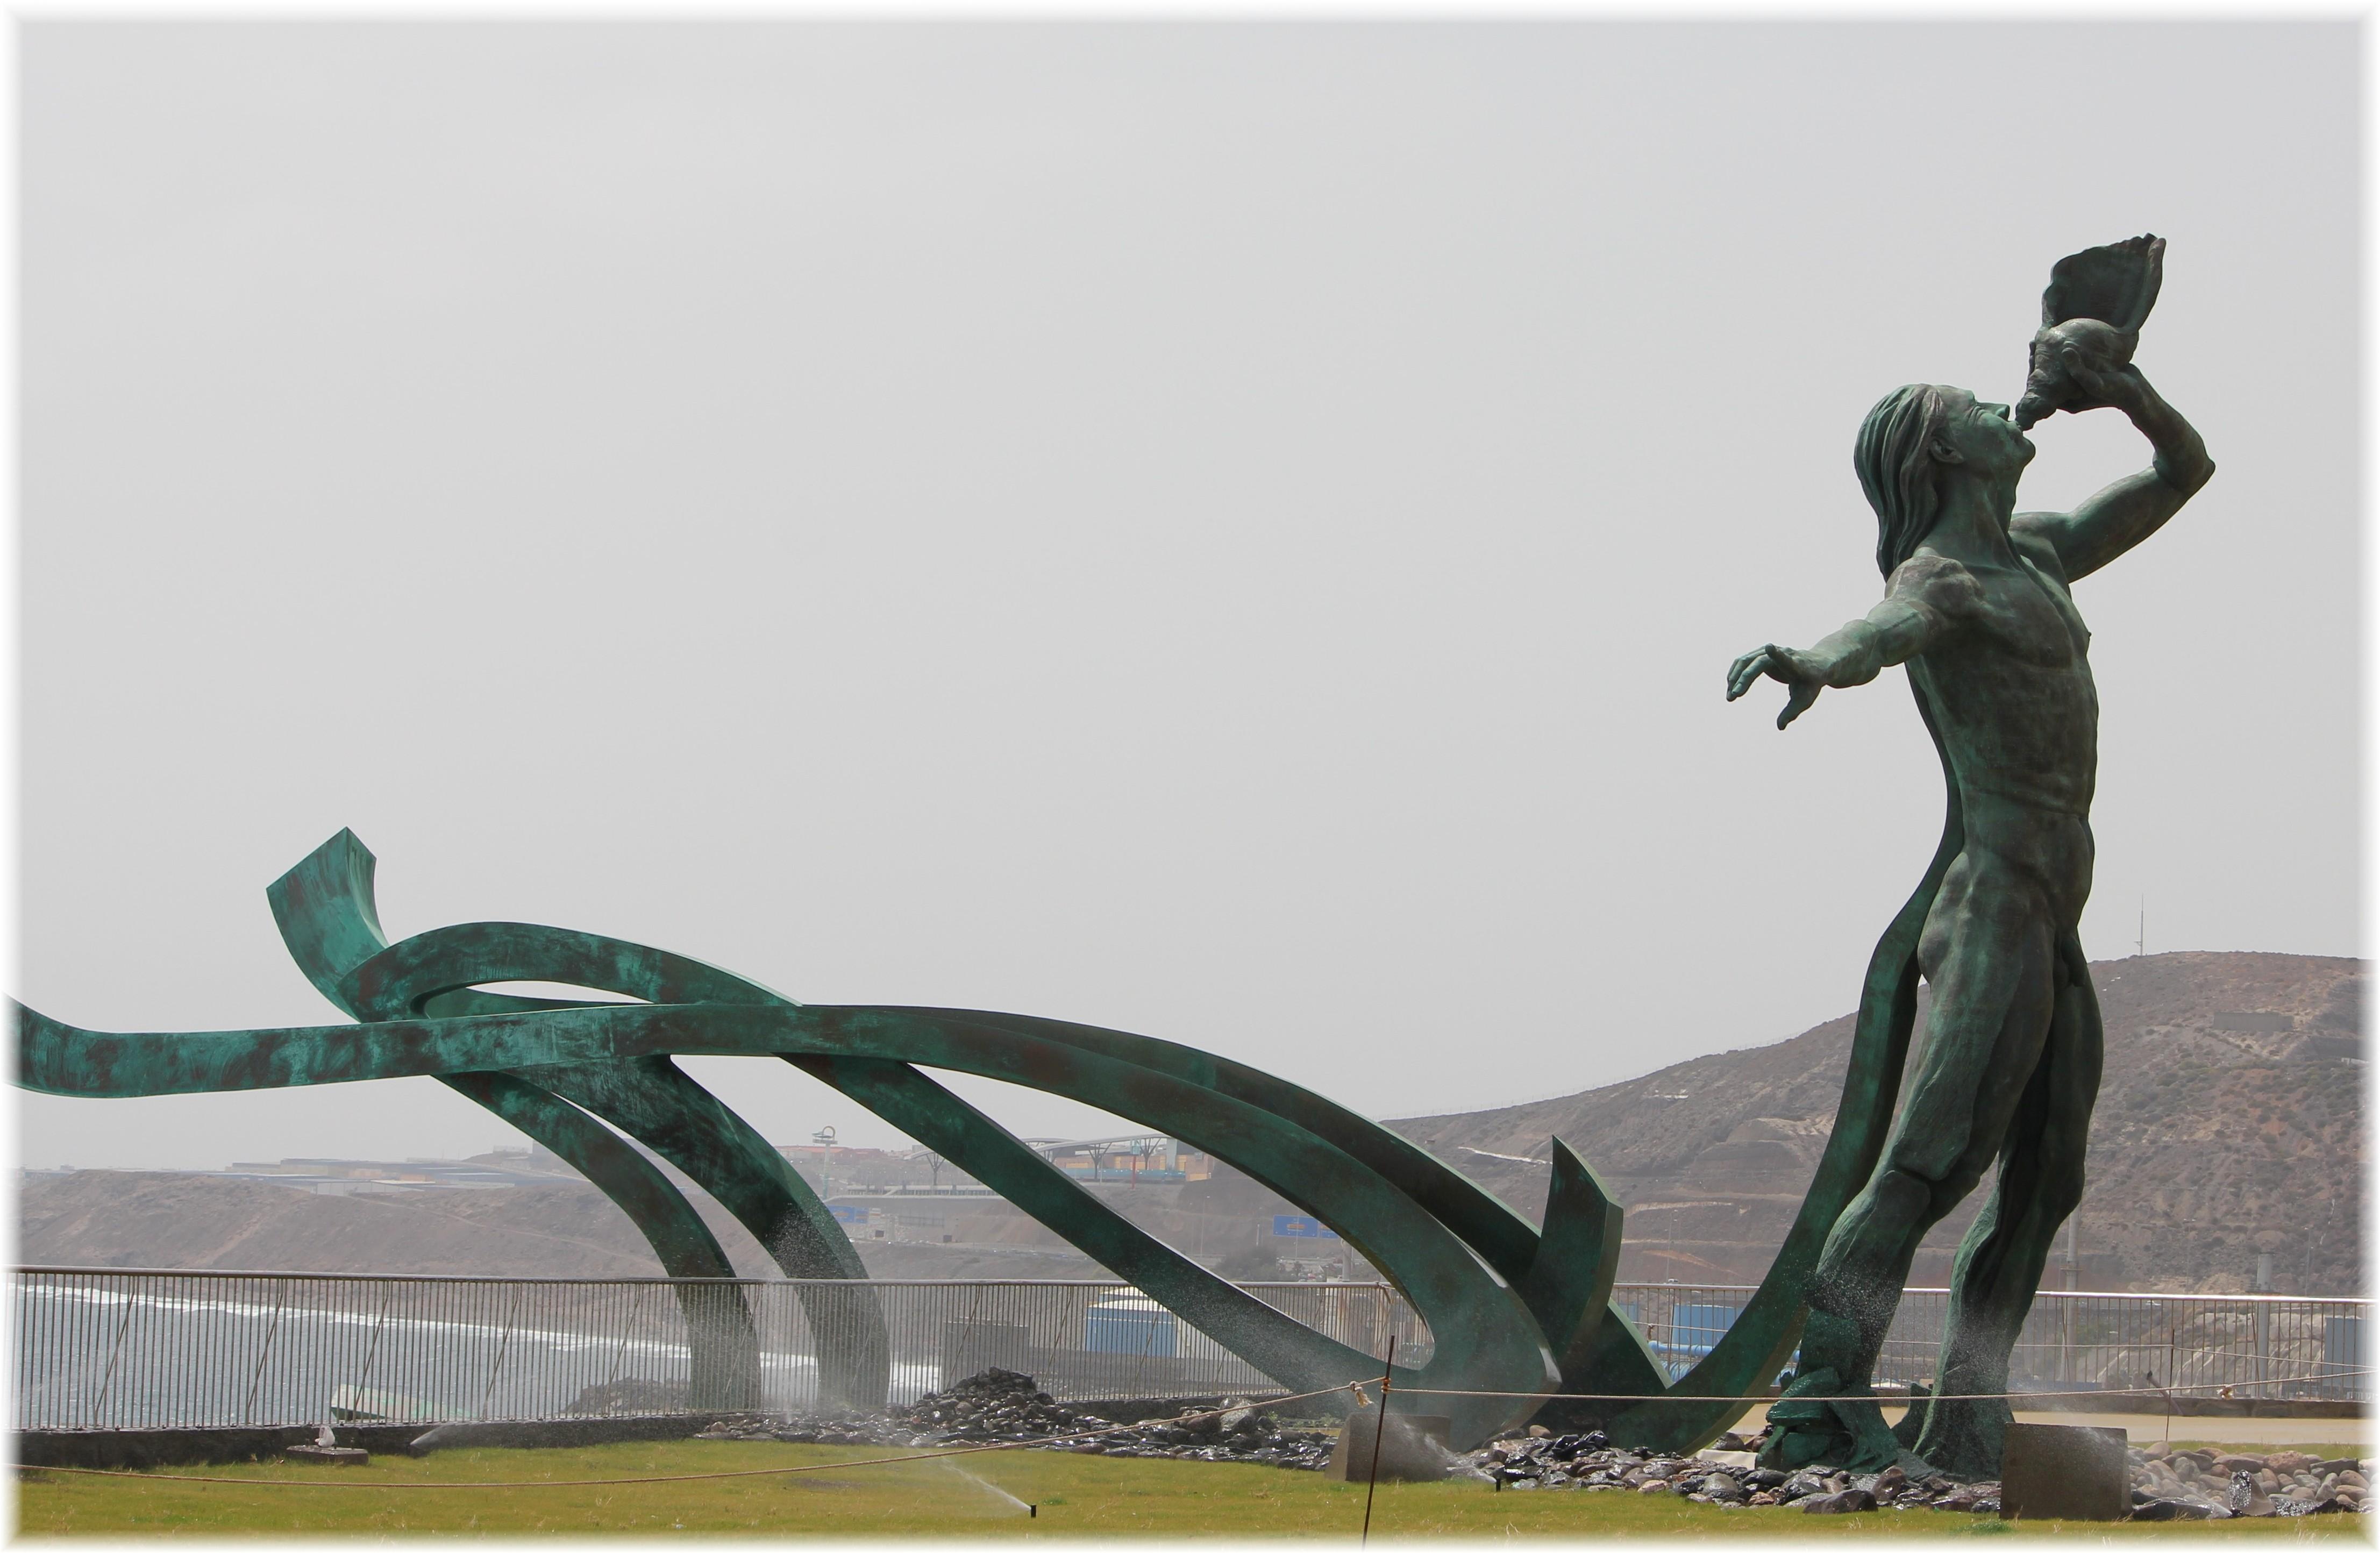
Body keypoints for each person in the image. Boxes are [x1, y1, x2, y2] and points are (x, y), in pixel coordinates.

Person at [1725, 349, 2212, 1478]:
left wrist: (2124, 390)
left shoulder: (2038, 550)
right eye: (1976, 408)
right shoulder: (1941, 577)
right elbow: (1875, 631)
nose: (2005, 405)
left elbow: (2183, 470)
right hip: (1991, 900)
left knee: (2046, 1177)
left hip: (2054, 906)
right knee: (1927, 1165)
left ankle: (1967, 1410)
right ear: (1943, 452)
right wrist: (1811, 658)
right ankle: (1813, 1406)